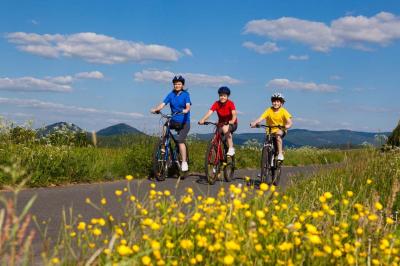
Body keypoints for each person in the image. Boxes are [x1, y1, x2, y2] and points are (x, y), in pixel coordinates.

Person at [151, 75, 191, 172]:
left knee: (180, 141)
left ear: (182, 85)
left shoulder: (186, 95)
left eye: (179, 84)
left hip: (184, 122)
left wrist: (186, 110)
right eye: (175, 84)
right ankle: (164, 145)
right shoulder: (171, 94)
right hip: (174, 120)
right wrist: (156, 109)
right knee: (165, 125)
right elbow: (163, 104)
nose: (177, 85)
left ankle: (184, 162)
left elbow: (188, 106)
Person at [250, 93, 292, 161]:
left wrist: (287, 126)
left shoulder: (284, 111)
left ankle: (280, 153)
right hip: (270, 130)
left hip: (281, 129)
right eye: (274, 101)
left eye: (278, 101)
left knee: (278, 135)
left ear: (281, 103)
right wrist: (255, 123)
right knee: (266, 142)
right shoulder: (269, 110)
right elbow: (261, 118)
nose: (275, 103)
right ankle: (267, 161)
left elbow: (290, 122)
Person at [198, 86, 237, 156]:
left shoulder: (230, 103)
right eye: (221, 95)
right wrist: (203, 119)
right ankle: (215, 160)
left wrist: (232, 121)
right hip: (221, 124)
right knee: (214, 140)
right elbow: (209, 112)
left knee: (225, 128)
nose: (222, 97)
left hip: (232, 124)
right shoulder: (216, 103)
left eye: (224, 96)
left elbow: (234, 114)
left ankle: (231, 148)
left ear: (227, 96)